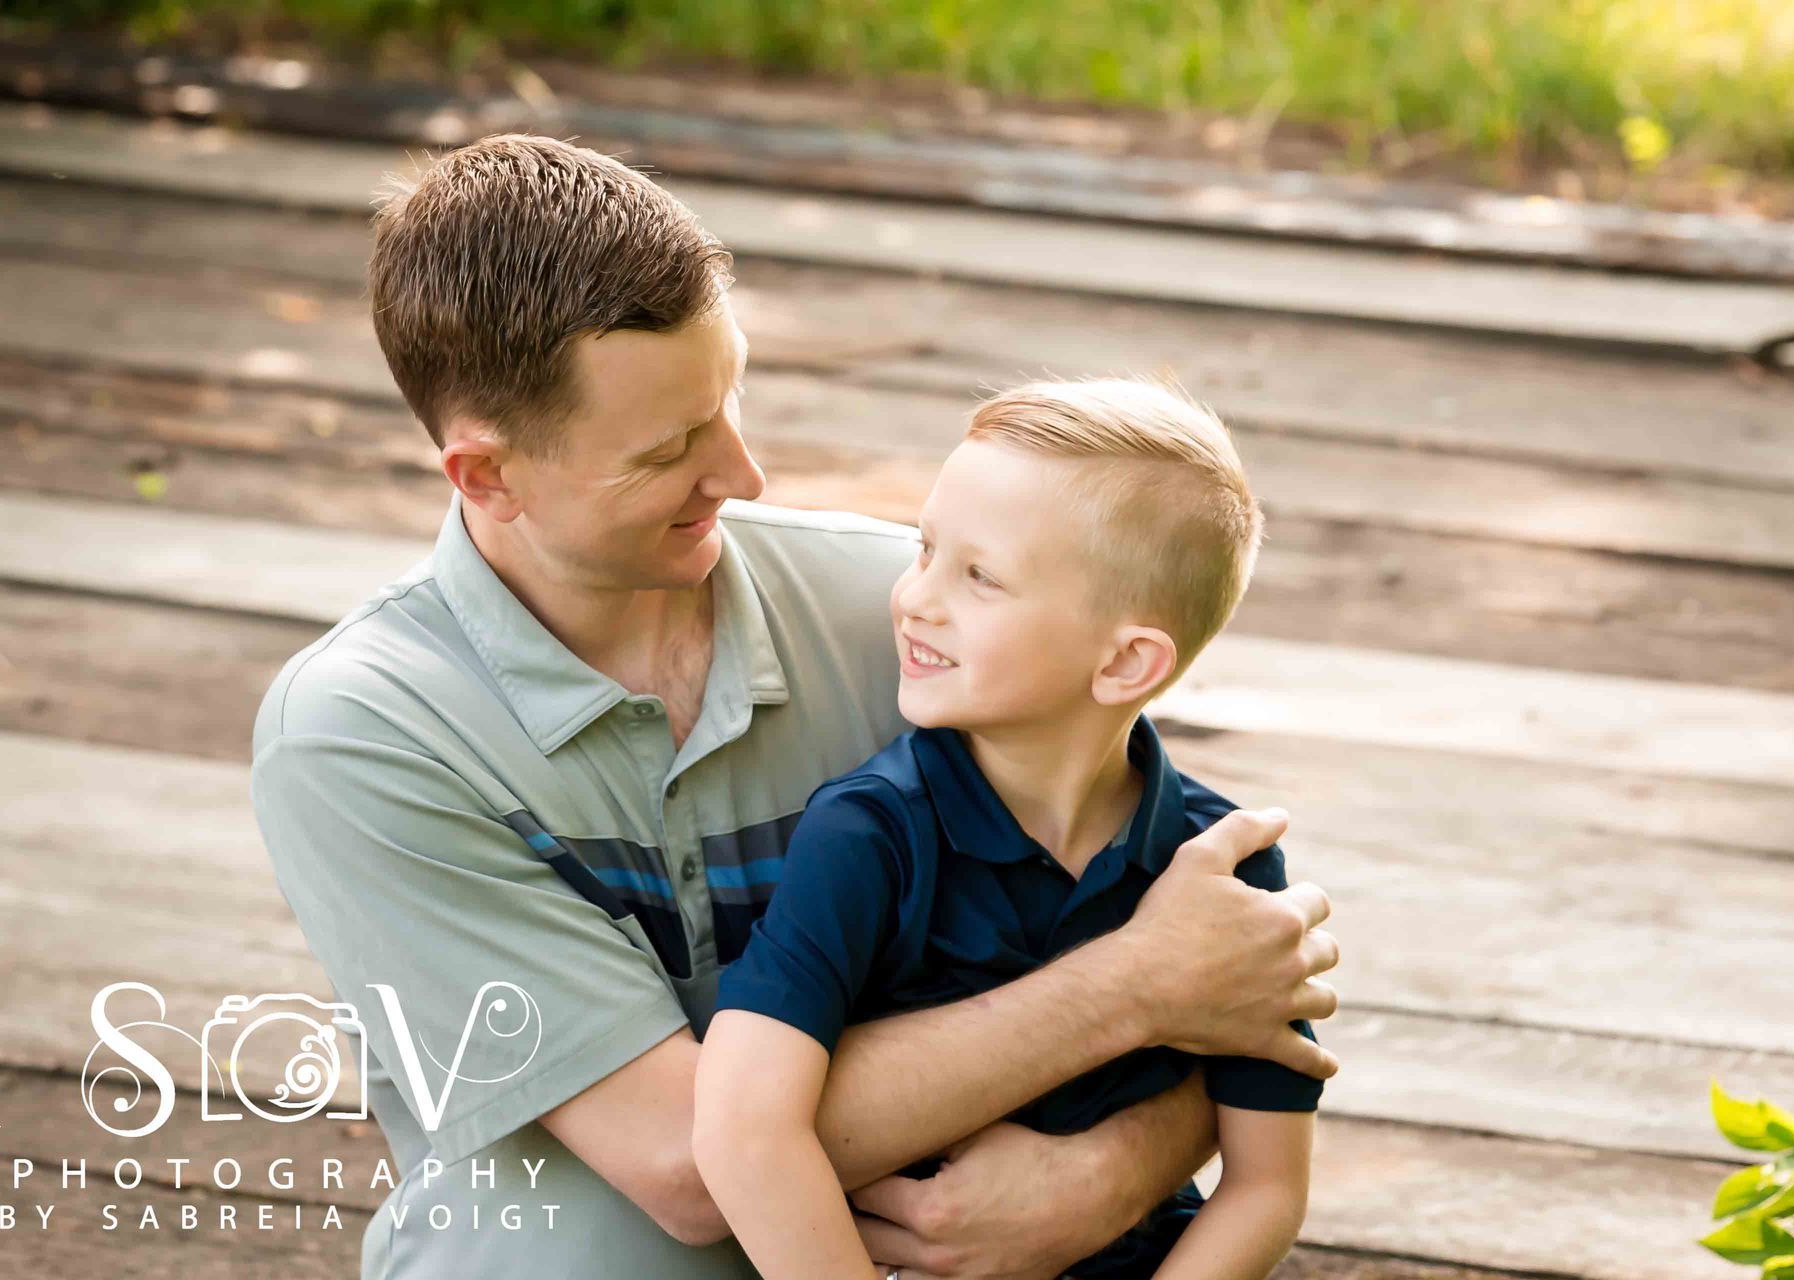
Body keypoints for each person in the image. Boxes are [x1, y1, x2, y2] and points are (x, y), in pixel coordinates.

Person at [249, 133, 1340, 1280]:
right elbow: (683, 1156)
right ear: (488, 476)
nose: (745, 472)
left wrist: (1104, 1167)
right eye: (671, 447)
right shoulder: (363, 734)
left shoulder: (908, 620)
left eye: (729, 402)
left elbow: (1225, 974)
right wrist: (1134, 992)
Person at [695, 379, 1319, 1280]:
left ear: (1125, 662)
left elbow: (1266, 1187)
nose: (915, 598)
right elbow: (745, 1127)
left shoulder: (1225, 868)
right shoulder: (868, 834)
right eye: (925, 550)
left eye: (979, 576)